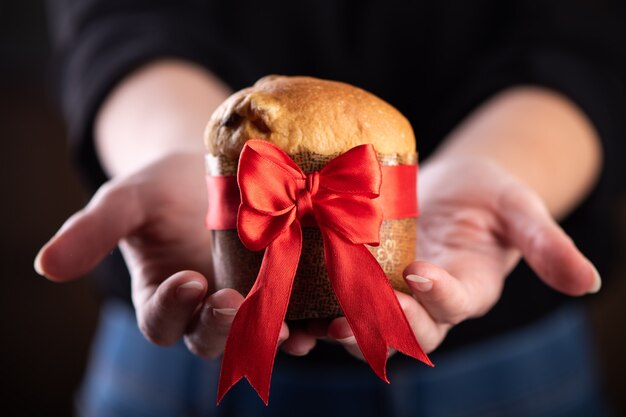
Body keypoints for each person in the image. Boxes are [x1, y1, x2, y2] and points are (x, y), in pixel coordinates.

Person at [39, 1, 624, 416]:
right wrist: (178, 150)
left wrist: (506, 167)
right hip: (177, 375)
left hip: (508, 373)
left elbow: (587, 33)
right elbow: (120, 18)